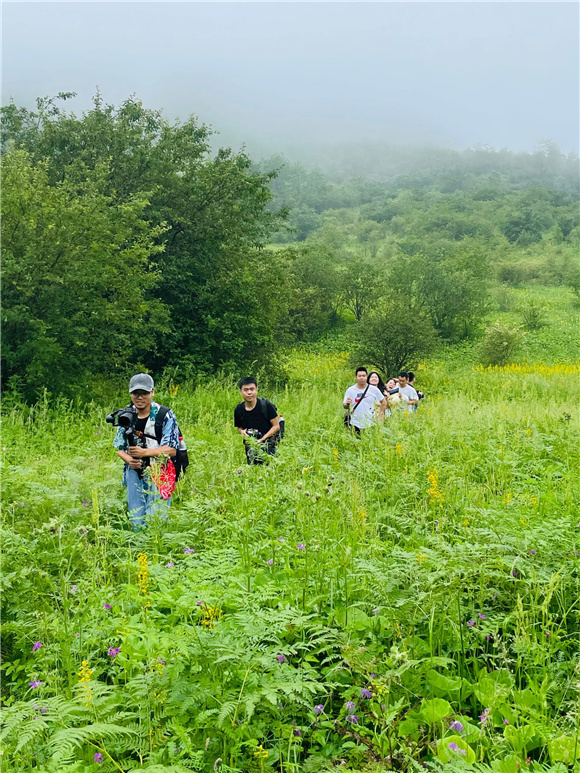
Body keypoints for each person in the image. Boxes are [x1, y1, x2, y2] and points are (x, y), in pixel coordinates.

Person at [113, 373, 180, 529]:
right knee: (136, 516)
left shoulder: (165, 415)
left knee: (157, 515)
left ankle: (156, 547)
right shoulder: (126, 415)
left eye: (144, 393)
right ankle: (138, 548)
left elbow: (171, 450)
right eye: (136, 393)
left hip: (160, 469)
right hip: (134, 470)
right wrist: (129, 460)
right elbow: (119, 448)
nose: (140, 397)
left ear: (152, 392)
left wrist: (144, 453)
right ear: (131, 394)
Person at [234, 377, 280, 465]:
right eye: (246, 390)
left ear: (256, 390)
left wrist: (262, 439)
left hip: (268, 445)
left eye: (252, 389)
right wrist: (242, 432)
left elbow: (276, 426)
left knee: (269, 470)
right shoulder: (239, 409)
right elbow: (239, 427)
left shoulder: (265, 405)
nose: (249, 392)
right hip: (250, 446)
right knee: (253, 470)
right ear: (241, 392)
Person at [343, 367, 387, 434]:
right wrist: (347, 403)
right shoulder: (350, 390)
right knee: (355, 442)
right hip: (355, 422)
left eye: (363, 376)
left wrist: (380, 417)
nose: (361, 378)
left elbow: (384, 402)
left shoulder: (374, 390)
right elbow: (344, 406)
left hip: (370, 423)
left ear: (367, 377)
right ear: (356, 377)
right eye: (359, 376)